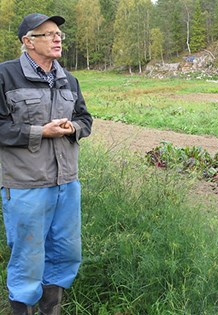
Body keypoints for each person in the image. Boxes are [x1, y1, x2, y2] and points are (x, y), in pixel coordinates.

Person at [0, 13, 92, 314]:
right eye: (48, 34)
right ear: (28, 42)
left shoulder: (69, 79)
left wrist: (72, 128)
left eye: (59, 35)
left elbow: (85, 119)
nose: (57, 39)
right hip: (25, 183)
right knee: (28, 257)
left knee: (66, 253)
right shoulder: (5, 75)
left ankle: (50, 309)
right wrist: (40, 132)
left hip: (66, 182)